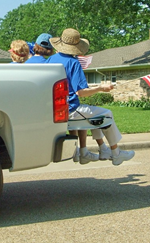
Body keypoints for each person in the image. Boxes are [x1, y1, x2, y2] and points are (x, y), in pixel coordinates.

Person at [46, 28, 135, 166]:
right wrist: (101, 88)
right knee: (106, 115)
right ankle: (116, 153)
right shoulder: (73, 63)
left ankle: (104, 150)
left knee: (95, 117)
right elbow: (81, 92)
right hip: (71, 109)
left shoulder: (51, 60)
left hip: (54, 109)